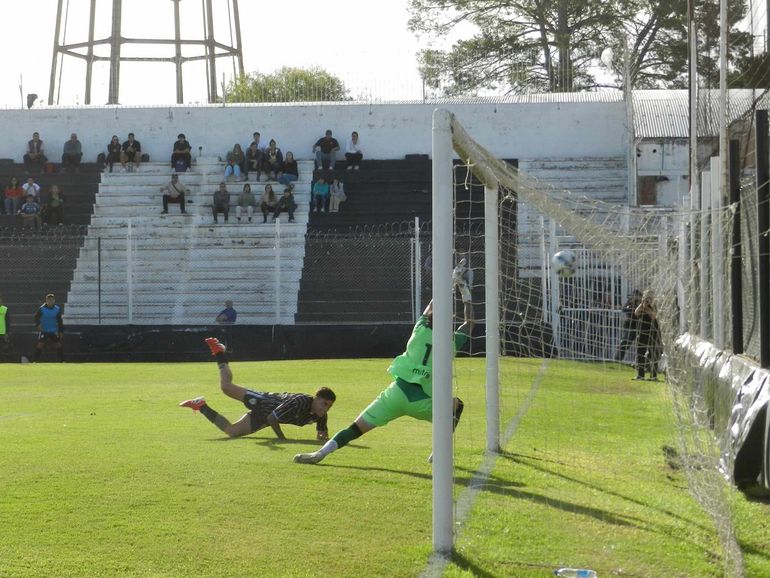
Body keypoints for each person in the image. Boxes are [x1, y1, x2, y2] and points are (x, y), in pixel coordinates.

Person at [294, 280, 473, 465]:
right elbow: (469, 323)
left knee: (355, 429)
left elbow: (430, 307)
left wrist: (450, 282)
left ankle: (320, 454)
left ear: (429, 319)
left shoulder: (419, 330)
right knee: (456, 405)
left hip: (395, 394)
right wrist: (465, 292)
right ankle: (440, 451)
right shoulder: (452, 344)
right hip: (423, 402)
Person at [179, 337, 336, 441]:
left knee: (232, 432)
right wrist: (282, 439)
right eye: (324, 403)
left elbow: (321, 434)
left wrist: (323, 438)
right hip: (263, 401)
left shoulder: (320, 415)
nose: (326, 408)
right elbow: (273, 418)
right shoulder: (300, 401)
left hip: (264, 417)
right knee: (226, 387)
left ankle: (201, 405)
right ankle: (220, 352)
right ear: (316, 398)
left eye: (329, 405)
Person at [633, 290, 661, 381]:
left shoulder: (655, 306)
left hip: (653, 332)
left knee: (653, 353)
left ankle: (653, 376)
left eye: (649, 298)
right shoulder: (641, 305)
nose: (647, 299)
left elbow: (654, 316)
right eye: (645, 297)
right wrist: (642, 305)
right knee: (640, 352)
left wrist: (648, 308)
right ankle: (640, 375)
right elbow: (636, 313)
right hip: (642, 331)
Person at [33, 293, 64, 362]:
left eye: (52, 300)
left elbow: (60, 321)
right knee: (40, 345)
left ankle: (62, 360)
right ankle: (35, 361)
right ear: (46, 300)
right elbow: (36, 317)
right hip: (44, 330)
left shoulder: (57, 309)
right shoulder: (42, 308)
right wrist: (38, 325)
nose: (51, 301)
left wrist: (61, 331)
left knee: (58, 344)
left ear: (54, 300)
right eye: (49, 300)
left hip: (54, 330)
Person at [615, 289, 642, 363]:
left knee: (641, 345)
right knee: (624, 343)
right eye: (634, 295)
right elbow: (624, 309)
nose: (635, 297)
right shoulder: (630, 302)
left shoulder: (641, 303)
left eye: (636, 295)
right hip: (628, 326)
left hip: (638, 326)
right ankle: (617, 359)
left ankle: (640, 362)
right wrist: (632, 306)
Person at [0, 295, 11, 362]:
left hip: (2, 332)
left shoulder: (5, 309)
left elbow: (7, 322)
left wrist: (7, 333)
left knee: (2, 348)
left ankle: (3, 361)